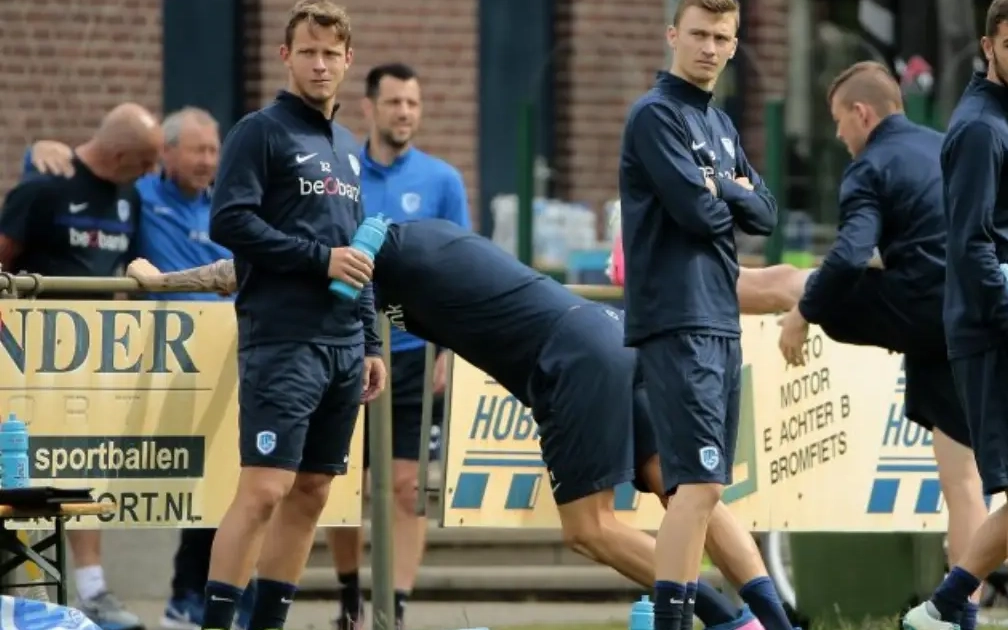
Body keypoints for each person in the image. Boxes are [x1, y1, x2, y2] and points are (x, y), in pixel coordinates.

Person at [125, 217, 799, 630]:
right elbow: (268, 271)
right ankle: (774, 623)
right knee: (684, 492)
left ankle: (725, 620)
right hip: (606, 334)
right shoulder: (412, 240)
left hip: (571, 358)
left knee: (589, 529)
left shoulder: (371, 249)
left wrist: (161, 281)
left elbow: (246, 271)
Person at [769, 61, 988, 630]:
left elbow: (847, 255)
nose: (838, 134)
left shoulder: (870, 166)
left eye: (839, 120)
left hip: (923, 312)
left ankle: (735, 293)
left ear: (862, 114)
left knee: (807, 285)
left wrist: (803, 316)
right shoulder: (945, 146)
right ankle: (964, 614)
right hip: (970, 318)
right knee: (962, 481)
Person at [23, 108, 258, 630]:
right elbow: (79, 177)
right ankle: (154, 593)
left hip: (226, 360)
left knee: (222, 477)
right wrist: (37, 149)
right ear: (165, 155)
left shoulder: (225, 205)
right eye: (197, 150)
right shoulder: (138, 196)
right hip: (153, 363)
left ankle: (203, 594)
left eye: (214, 150)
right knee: (95, 465)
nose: (208, 161)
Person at [200, 3, 387, 630]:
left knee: (313, 492)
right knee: (264, 491)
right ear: (285, 57)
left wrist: (370, 341)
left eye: (331, 53)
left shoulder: (349, 148)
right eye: (308, 51)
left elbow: (357, 250)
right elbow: (229, 221)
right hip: (282, 339)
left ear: (348, 60)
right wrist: (318, 260)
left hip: (343, 346)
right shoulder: (260, 132)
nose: (320, 64)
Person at [903, 2, 1008, 629]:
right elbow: (970, 244)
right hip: (999, 334)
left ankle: (942, 609)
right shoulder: (977, 128)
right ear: (987, 46)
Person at [618, 2, 780, 630]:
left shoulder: (721, 123)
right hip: (677, 317)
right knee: (698, 485)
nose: (709, 47)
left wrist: (725, 189)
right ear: (672, 36)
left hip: (720, 317)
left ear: (735, 45)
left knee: (704, 486)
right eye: (698, 35)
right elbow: (698, 213)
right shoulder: (655, 115)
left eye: (721, 37)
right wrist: (727, 194)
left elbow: (765, 213)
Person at [0, 102, 160, 630]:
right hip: (27, 360)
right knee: (21, 472)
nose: (149, 172)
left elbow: (128, 264)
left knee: (83, 469)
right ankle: (20, 588)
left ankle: (91, 589)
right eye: (144, 161)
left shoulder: (130, 198)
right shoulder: (44, 187)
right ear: (118, 154)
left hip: (92, 362)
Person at [324, 62, 471, 630]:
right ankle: (350, 601)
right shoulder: (342, 171)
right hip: (345, 347)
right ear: (369, 107)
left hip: (413, 353)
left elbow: (459, 268)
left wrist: (449, 347)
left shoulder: (442, 181)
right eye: (394, 103)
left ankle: (397, 611)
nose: (405, 113)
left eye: (413, 103)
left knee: (408, 487)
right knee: (340, 483)